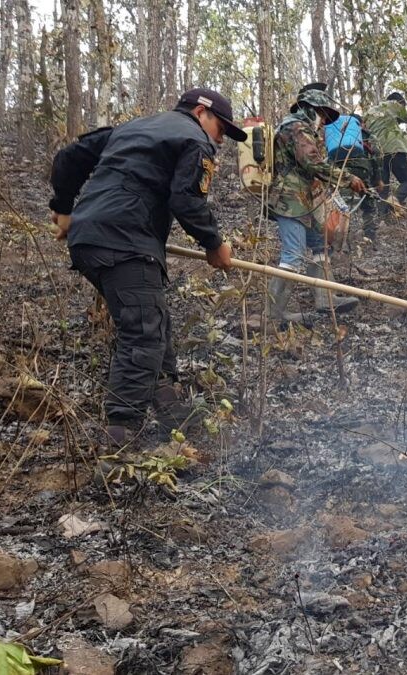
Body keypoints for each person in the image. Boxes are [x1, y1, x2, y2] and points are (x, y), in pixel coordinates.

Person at [48, 87, 244, 449]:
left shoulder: (132, 128)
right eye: (221, 129)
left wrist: (64, 209)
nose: (221, 140)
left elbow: (68, 158)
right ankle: (119, 443)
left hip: (92, 238)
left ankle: (173, 413)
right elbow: (186, 200)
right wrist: (214, 245)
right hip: (125, 241)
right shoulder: (193, 139)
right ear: (202, 113)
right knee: (143, 335)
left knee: (152, 320)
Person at [265, 86, 366, 327]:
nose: (322, 123)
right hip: (289, 202)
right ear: (311, 110)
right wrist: (347, 178)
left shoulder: (300, 129)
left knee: (320, 245)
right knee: (293, 256)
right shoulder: (296, 128)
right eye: (322, 115)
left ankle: (326, 299)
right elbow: (312, 163)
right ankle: (270, 316)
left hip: (305, 202)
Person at [326, 110, 383, 242]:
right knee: (369, 203)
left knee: (342, 206)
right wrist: (378, 179)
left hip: (340, 171)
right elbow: (377, 157)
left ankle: (342, 241)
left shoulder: (337, 134)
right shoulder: (368, 136)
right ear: (360, 124)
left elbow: (329, 157)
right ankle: (370, 237)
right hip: (362, 170)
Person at [365, 91, 407, 221]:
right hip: (393, 148)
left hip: (376, 152)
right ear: (399, 102)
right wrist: (400, 110)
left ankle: (383, 219)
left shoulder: (370, 112)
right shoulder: (393, 105)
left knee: (382, 187)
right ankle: (395, 199)